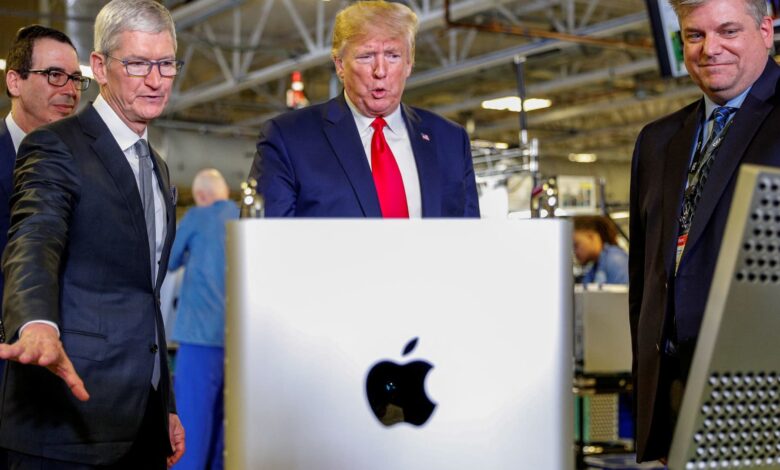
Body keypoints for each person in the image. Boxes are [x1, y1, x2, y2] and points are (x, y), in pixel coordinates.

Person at [0, 0, 186, 467]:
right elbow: (34, 239)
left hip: (142, 419)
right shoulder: (55, 144)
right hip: (67, 419)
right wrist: (35, 323)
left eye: (166, 63)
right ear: (100, 67)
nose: (155, 79)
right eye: (138, 63)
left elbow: (145, 295)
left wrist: (164, 402)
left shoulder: (158, 167)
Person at [629, 0, 780, 462]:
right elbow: (644, 281)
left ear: (767, 30)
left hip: (763, 393)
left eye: (728, 31)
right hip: (676, 396)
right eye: (695, 35)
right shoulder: (657, 140)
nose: (710, 48)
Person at [249, 0, 479, 218]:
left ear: (409, 63)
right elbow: (264, 239)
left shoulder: (450, 140)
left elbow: (470, 237)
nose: (380, 71)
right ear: (340, 64)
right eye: (366, 56)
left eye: (393, 56)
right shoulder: (288, 138)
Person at [1, 24, 87, 315]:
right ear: (15, 82)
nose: (70, 90)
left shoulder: (88, 167)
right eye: (54, 75)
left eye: (76, 78)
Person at [169, 169, 238, 470]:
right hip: (236, 340)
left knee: (192, 423)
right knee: (226, 425)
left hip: (200, 335)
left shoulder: (198, 216)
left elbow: (169, 260)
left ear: (200, 195)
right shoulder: (243, 217)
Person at [573, 215, 628, 284]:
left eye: (576, 245)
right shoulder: (594, 268)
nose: (574, 252)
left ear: (591, 237)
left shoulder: (615, 259)